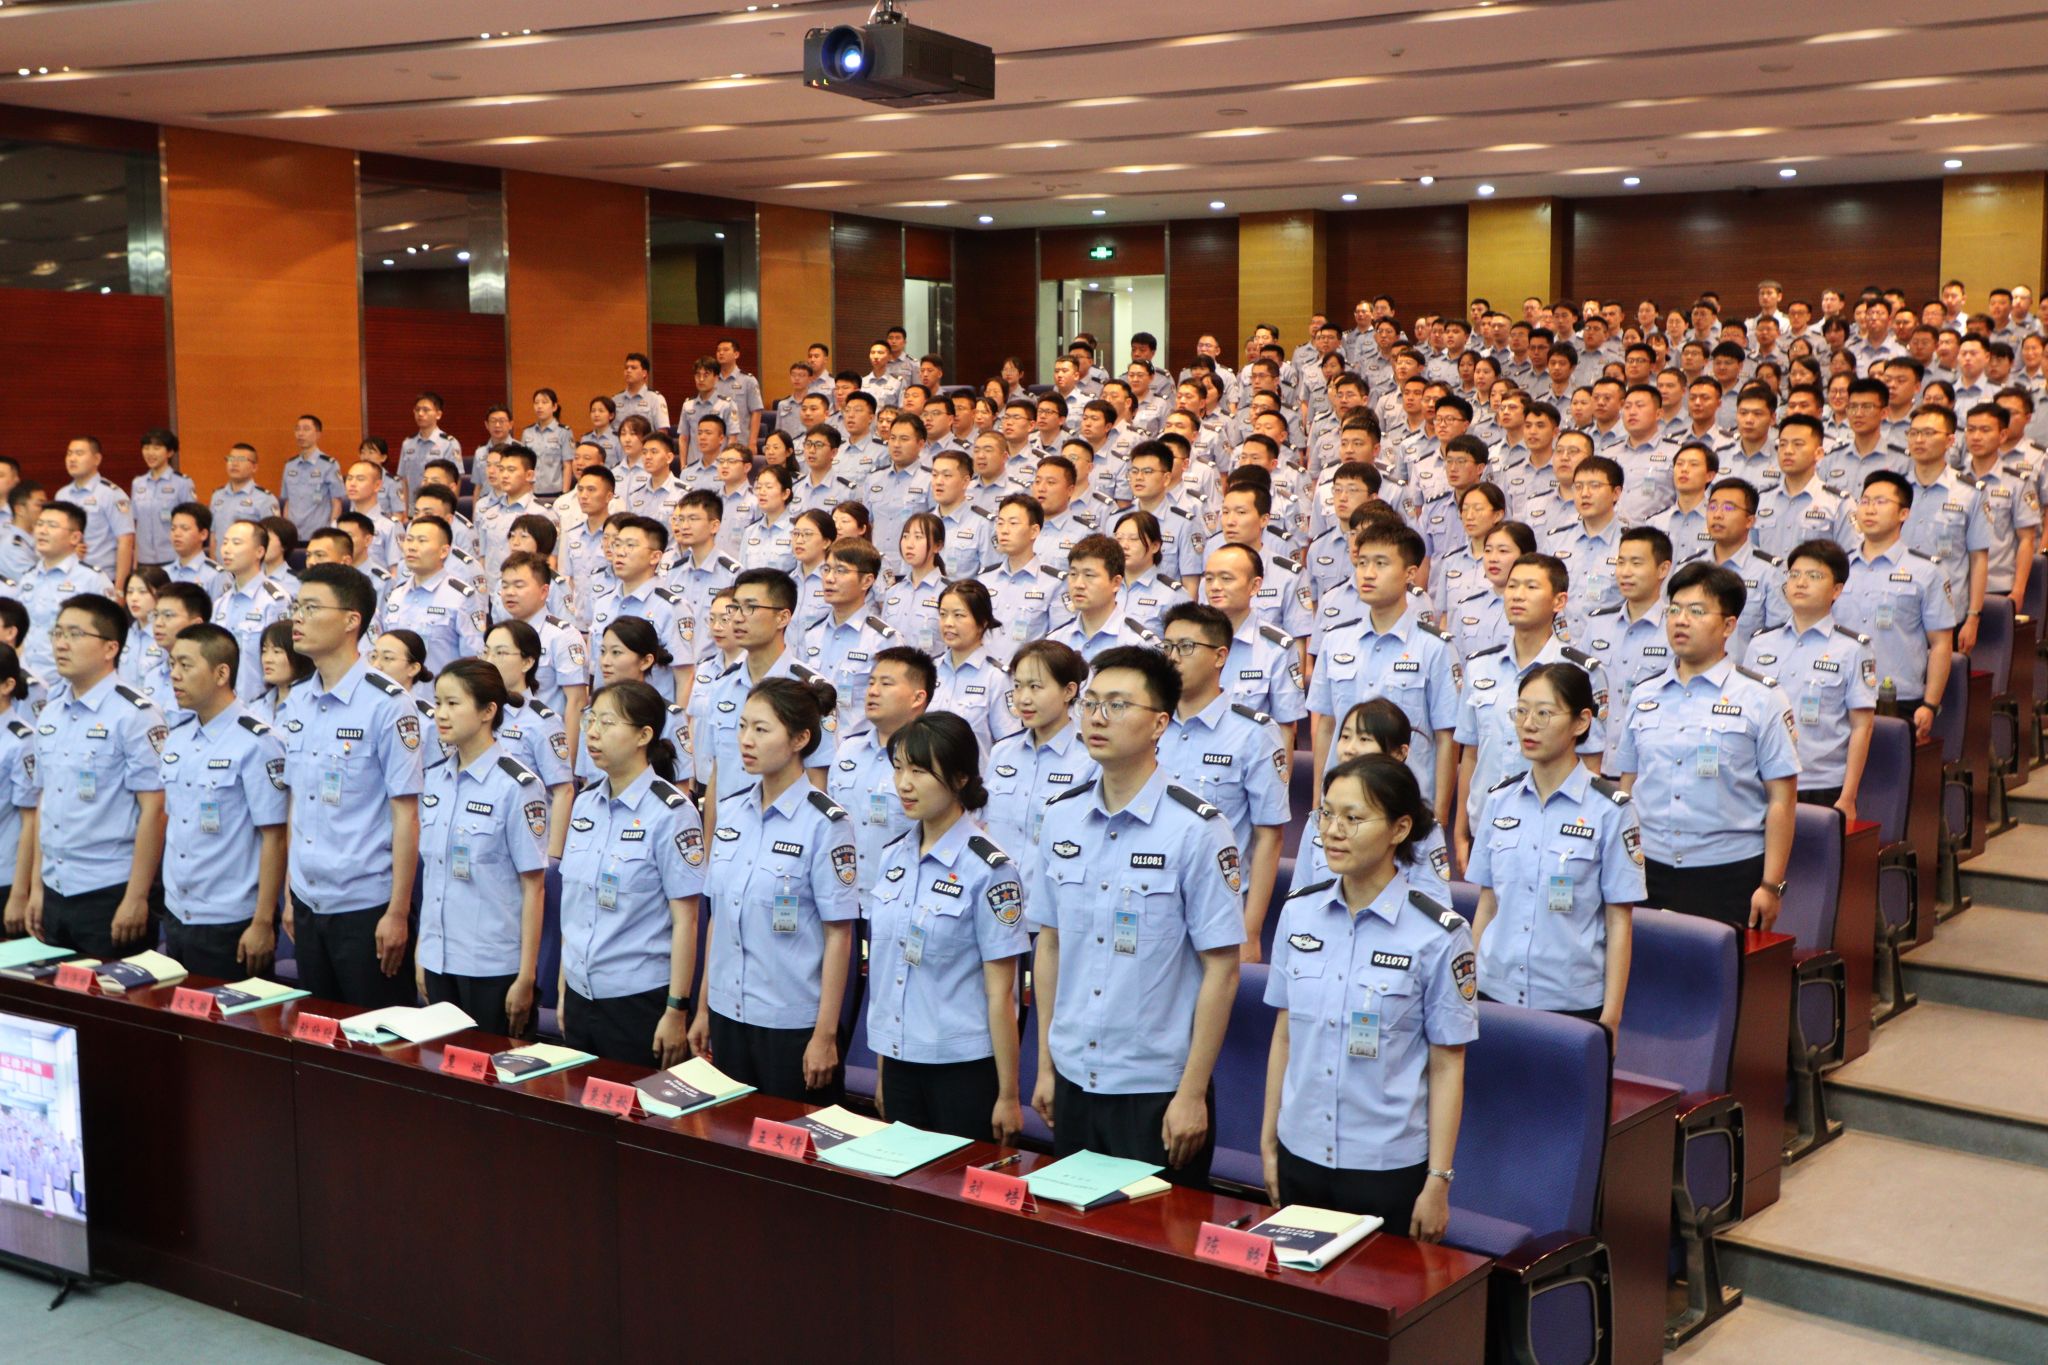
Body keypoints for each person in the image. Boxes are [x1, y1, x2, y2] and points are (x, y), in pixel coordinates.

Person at [1026, 646, 1244, 1186]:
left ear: (1159, 724)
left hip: (1155, 1088)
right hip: (1073, 1075)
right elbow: (1050, 944)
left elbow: (1222, 968)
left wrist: (1191, 1093)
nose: (1098, 717)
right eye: (1091, 703)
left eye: (1118, 705)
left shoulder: (1197, 829)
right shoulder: (1061, 817)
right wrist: (1046, 1065)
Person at [1260, 753, 1474, 1239]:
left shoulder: (1438, 934)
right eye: (1327, 814)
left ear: (1400, 829)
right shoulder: (1299, 913)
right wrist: (1269, 1140)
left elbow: (1447, 1064)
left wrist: (1438, 1180)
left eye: (1353, 818)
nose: (1333, 831)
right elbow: (1285, 1036)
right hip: (1300, 1151)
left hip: (1386, 1166)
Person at [689, 676, 859, 1103]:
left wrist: (825, 1035)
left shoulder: (826, 824)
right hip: (728, 1012)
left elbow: (839, 936)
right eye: (742, 726)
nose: (746, 740)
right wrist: (704, 1006)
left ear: (800, 739)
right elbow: (719, 919)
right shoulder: (730, 811)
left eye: (761, 729)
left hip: (791, 1022)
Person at [867, 712, 1030, 1142]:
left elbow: (1002, 995)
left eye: (919, 771)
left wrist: (1008, 1094)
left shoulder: (989, 869)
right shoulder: (893, 856)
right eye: (898, 768)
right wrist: (884, 1068)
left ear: (959, 778)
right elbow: (888, 975)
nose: (904, 784)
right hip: (900, 1060)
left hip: (962, 1069)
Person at [1613, 562, 1800, 930]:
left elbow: (1782, 798)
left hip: (1726, 871)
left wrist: (1771, 884)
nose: (1681, 620)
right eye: (1674, 610)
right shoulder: (1645, 694)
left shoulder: (1762, 698)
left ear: (1728, 626)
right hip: (1647, 867)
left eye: (1697, 611)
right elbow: (1629, 784)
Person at [278, 564, 426, 1008]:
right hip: (307, 900)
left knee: (375, 1036)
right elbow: (297, 802)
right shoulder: (298, 699)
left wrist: (397, 912)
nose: (298, 618)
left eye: (311, 607)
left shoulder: (388, 703)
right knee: (316, 1031)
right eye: (296, 607)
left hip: (365, 906)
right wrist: (291, 894)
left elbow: (406, 814)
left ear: (350, 620)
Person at [1468, 664, 1641, 1030]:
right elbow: (1487, 904)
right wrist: (1466, 994)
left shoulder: (1611, 810)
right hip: (1494, 991)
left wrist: (1611, 1017)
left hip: (1571, 1001)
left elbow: (1619, 920)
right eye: (1521, 711)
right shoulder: (1499, 801)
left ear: (1581, 722)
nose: (1528, 725)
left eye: (1544, 713)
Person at [12, 593, 167, 957]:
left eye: (75, 634)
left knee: (110, 993)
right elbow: (45, 802)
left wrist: (136, 897)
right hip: (55, 886)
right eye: (57, 633)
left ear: (110, 648)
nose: (61, 643)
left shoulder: (135, 714)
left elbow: (156, 810)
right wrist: (36, 888)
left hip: (109, 889)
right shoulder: (51, 713)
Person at [558, 679, 704, 1065]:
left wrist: (676, 1008)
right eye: (591, 720)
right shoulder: (585, 803)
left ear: (643, 735)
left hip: (636, 999)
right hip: (579, 993)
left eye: (607, 723)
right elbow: (574, 907)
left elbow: (686, 921)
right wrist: (563, 987)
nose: (592, 732)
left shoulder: (672, 813)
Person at [414, 659, 550, 1038]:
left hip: (493, 966)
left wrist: (526, 976)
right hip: (440, 959)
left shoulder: (517, 786)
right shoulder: (435, 779)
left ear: (488, 711)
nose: (440, 714)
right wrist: (424, 953)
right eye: (437, 703)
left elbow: (534, 887)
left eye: (453, 704)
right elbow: (434, 876)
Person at [1453, 553, 1607, 863]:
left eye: (1531, 587)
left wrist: (1581, 830)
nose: (1518, 595)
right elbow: (1470, 753)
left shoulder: (1581, 671)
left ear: (1559, 601)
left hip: (1553, 828)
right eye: (1512, 586)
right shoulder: (1480, 666)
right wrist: (1460, 831)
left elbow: (1591, 761)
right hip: (1487, 824)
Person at [1157, 603, 1290, 959]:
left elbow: (1269, 836)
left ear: (1219, 656)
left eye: (1186, 647)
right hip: (1150, 905)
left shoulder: (1254, 733)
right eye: (1167, 646)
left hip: (1219, 913)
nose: (1173, 657)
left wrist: (1251, 931)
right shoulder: (1148, 724)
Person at [157, 622, 288, 981]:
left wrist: (263, 921)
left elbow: (276, 837)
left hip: (231, 919)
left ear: (221, 674)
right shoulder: (177, 737)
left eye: (186, 665)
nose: (174, 675)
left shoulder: (257, 741)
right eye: (172, 665)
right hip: (178, 911)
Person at [1310, 521, 1459, 823]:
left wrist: (1439, 817)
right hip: (1340, 808)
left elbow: (1446, 738)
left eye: (1381, 563)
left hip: (1404, 808)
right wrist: (1318, 804)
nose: (1367, 573)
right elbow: (1326, 727)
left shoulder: (1434, 648)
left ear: (1410, 573)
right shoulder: (1335, 640)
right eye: (1362, 562)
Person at [1749, 539, 1878, 818]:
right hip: (1762, 783)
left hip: (1822, 786)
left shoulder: (1853, 649)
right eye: (1794, 574)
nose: (1801, 582)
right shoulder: (1760, 644)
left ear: (1837, 590)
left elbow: (1862, 727)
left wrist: (1848, 797)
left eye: (1814, 576)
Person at [1297, 698, 1452, 903]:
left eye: (1364, 739)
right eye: (1345, 737)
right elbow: (1300, 898)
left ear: (1399, 753)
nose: (1349, 749)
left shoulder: (1422, 829)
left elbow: (1432, 907)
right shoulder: (1321, 819)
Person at [1839, 471, 1956, 740]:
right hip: (1840, 695)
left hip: (1895, 698)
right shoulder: (1839, 567)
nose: (1870, 509)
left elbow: (1941, 643)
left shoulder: (1927, 571)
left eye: (1881, 502)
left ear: (1903, 513)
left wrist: (1930, 704)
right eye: (1865, 501)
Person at [825, 645, 929, 892]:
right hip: (843, 897)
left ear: (917, 698)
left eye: (886, 684)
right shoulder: (847, 750)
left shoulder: (931, 757)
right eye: (871, 682)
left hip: (900, 897)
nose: (872, 691)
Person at [482, 620, 574, 854]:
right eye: (486, 651)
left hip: (524, 842)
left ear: (528, 662)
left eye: (501, 653)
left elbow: (563, 791)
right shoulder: (475, 712)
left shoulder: (543, 721)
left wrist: (553, 855)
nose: (489, 660)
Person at [376, 516, 486, 675]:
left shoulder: (461, 597)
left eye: (422, 541)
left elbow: (473, 658)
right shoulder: (395, 595)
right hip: (398, 688)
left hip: (439, 689)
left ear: (444, 551)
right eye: (409, 540)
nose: (412, 547)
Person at [209, 519, 290, 701]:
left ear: (259, 552)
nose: (227, 549)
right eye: (225, 542)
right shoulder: (220, 603)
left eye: (236, 543)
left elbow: (285, 661)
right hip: (224, 704)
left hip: (261, 705)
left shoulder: (275, 600)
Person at [58, 437, 135, 586]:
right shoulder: (62, 495)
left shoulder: (112, 494)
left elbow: (126, 541)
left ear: (97, 459)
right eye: (69, 453)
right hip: (68, 578)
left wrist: (120, 587)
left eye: (79, 453)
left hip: (103, 578)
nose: (72, 459)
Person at [0, 645, 33, 935]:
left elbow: (31, 822)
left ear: (7, 685)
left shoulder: (21, 741)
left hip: (5, 876)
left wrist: (20, 893)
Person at [132, 429, 196, 570]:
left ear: (170, 452)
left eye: (156, 448)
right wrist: (135, 562)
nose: (150, 453)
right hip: (144, 560)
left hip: (174, 558)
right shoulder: (138, 483)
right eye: (146, 448)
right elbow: (137, 524)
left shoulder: (182, 482)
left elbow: (191, 522)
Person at [118, 566, 170, 694]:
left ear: (161, 595)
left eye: (143, 592)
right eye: (129, 592)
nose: (134, 598)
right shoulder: (123, 634)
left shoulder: (169, 637)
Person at [254, 619, 311, 727]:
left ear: (299, 655)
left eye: (277, 651)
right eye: (264, 651)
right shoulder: (256, 707)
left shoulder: (311, 707)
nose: (267, 660)